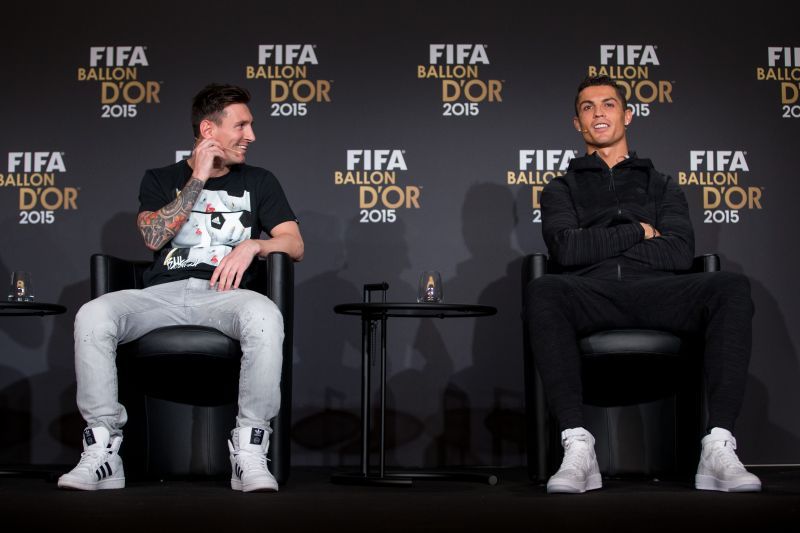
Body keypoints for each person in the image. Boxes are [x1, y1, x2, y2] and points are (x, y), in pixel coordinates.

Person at [58, 83, 304, 492]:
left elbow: (294, 244)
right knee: (93, 314)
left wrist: (255, 244)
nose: (251, 136)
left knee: (264, 314)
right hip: (162, 295)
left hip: (226, 297)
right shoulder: (159, 178)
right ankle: (103, 452)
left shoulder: (260, 181)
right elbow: (153, 238)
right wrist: (198, 178)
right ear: (209, 130)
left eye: (251, 125)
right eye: (241, 125)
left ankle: (249, 452)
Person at [525, 75, 760, 494]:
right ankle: (578, 446)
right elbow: (566, 251)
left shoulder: (663, 185)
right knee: (544, 289)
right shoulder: (560, 189)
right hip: (592, 294)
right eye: (587, 107)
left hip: (658, 293)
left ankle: (719, 444)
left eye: (608, 104)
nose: (598, 112)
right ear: (577, 123)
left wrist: (600, 242)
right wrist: (637, 232)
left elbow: (677, 252)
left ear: (627, 114)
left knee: (730, 287)